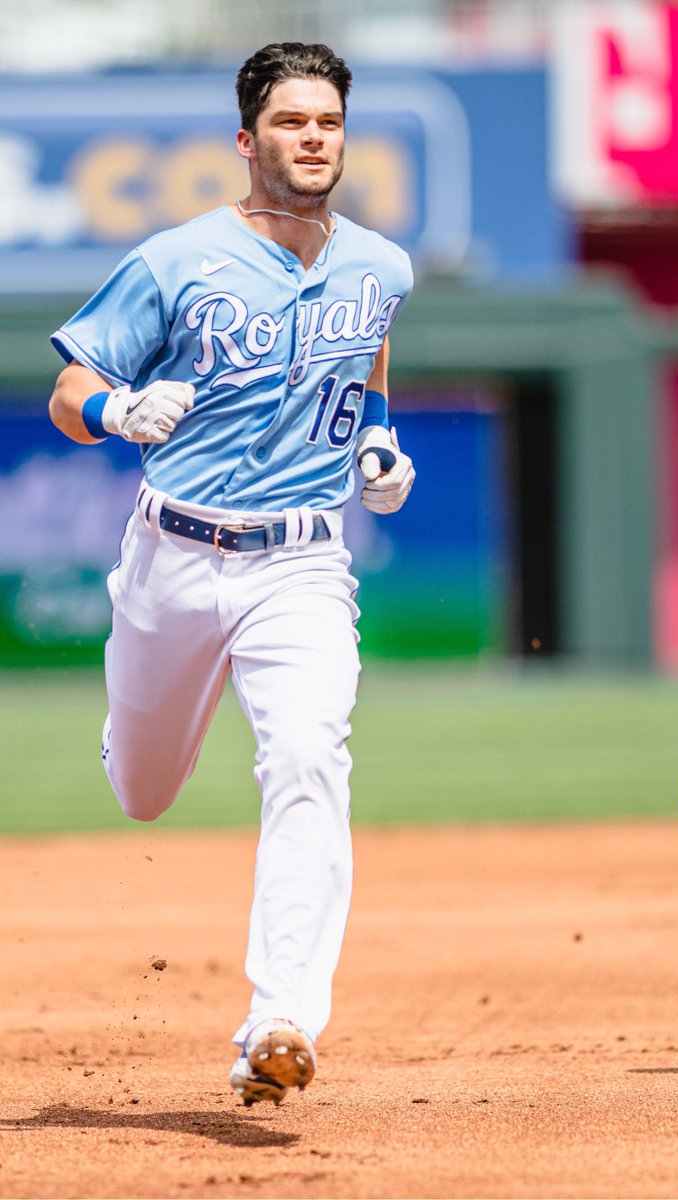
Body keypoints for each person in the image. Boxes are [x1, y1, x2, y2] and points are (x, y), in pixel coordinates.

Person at [47, 42, 415, 1107]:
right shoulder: (176, 259)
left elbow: (371, 356)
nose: (314, 139)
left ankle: (279, 1020)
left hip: (300, 561)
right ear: (247, 141)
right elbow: (70, 387)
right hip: (173, 552)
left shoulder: (379, 267)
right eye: (292, 122)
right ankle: (135, 731)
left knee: (308, 756)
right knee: (144, 793)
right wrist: (117, 411)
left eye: (330, 123)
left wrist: (378, 444)